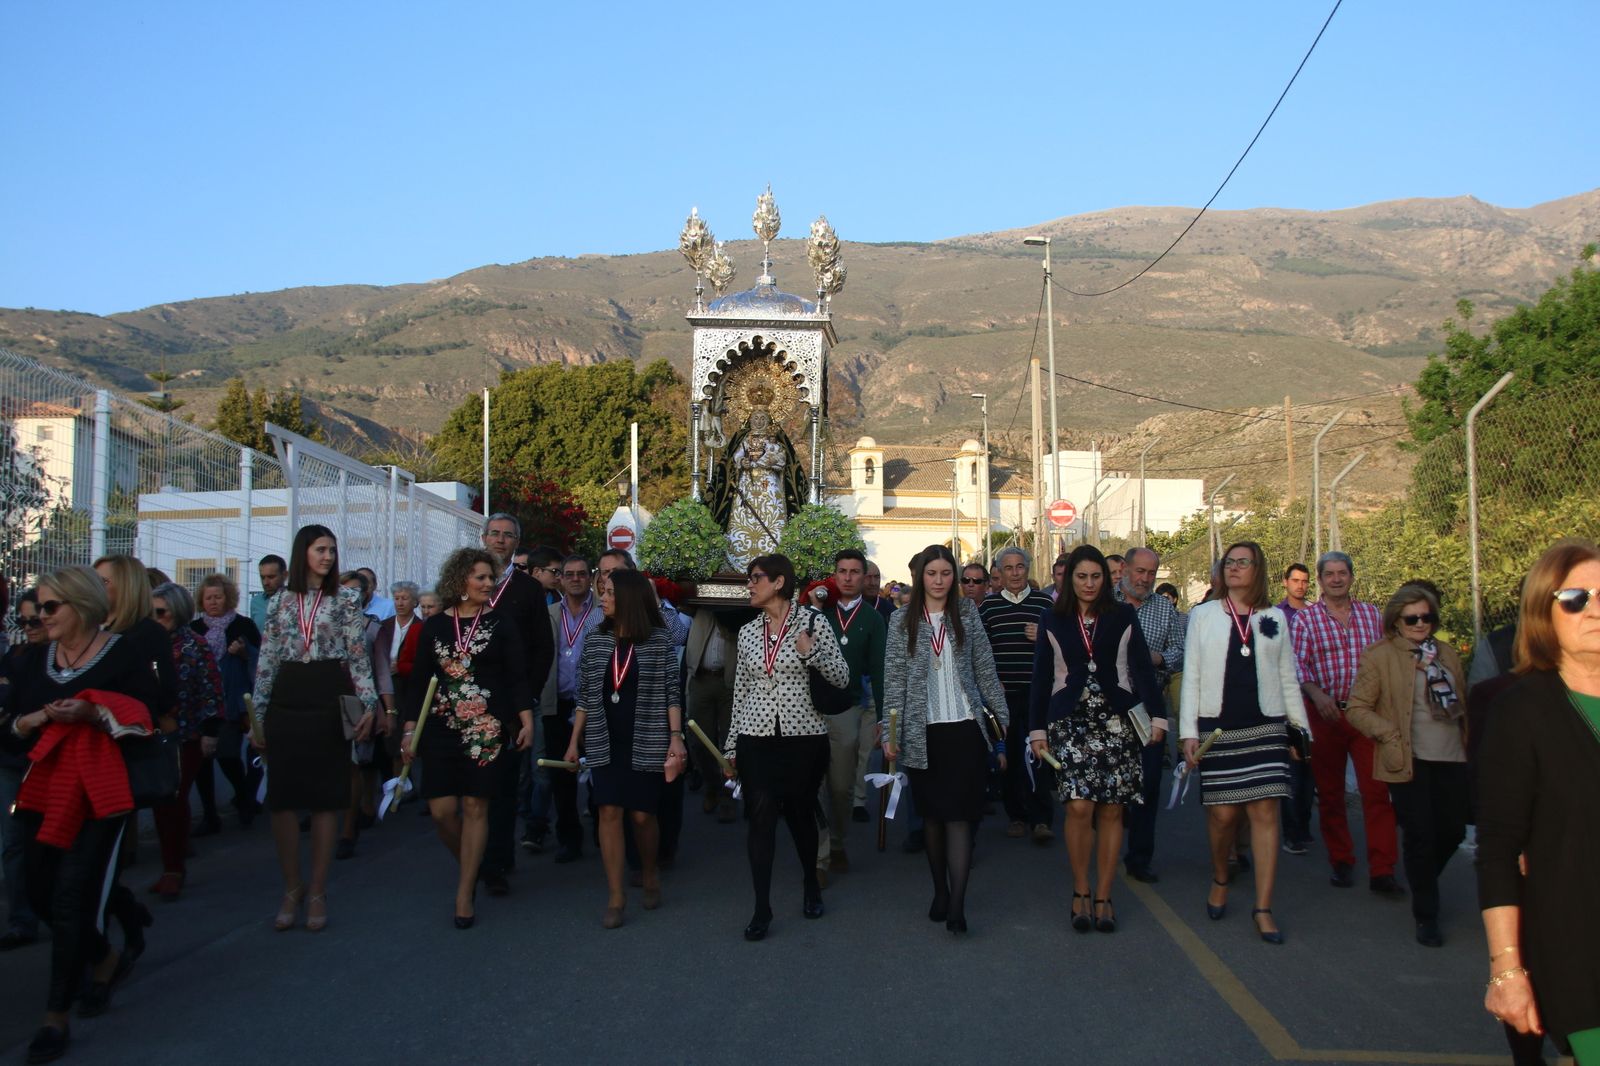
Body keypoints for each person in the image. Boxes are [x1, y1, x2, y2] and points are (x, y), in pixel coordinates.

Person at [2, 565, 163, 1060]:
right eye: (38, 606)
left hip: (100, 792)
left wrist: (95, 714)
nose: (40, 615)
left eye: (52, 606)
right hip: (42, 789)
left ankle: (54, 1018)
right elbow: (8, 721)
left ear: (82, 605)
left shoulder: (127, 653)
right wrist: (24, 722)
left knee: (71, 897)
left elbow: (151, 715)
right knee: (39, 891)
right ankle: (109, 949)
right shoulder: (31, 660)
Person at [1477, 539, 1600, 1062]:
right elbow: (1499, 849)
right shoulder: (1522, 711)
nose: (1594, 608)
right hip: (1577, 950)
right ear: (1543, 610)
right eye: (1576, 597)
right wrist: (1507, 970)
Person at [1030, 545, 1166, 935]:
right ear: (1070, 580)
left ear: (1107, 580)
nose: (1089, 584)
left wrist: (1158, 718)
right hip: (1069, 723)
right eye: (1081, 577)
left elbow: (1140, 668)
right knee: (1078, 808)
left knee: (1110, 810)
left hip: (1117, 722)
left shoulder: (1122, 615)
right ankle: (1080, 889)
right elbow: (1041, 678)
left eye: (1096, 577)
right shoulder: (1052, 618)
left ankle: (1104, 895)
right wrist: (1037, 730)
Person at [252, 524, 378, 933]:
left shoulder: (346, 598)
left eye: (331, 550)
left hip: (327, 693)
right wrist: (257, 715)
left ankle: (319, 889)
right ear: (302, 551)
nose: (327, 556)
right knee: (284, 799)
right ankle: (292, 887)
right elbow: (267, 659)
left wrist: (369, 706)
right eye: (320, 549)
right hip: (287, 696)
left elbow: (359, 657)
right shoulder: (279, 601)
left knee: (327, 796)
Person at [1180, 541, 1307, 946]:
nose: (1234, 569)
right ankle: (1221, 875)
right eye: (1229, 563)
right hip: (1218, 727)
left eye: (1243, 563)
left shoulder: (1274, 618)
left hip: (1266, 725)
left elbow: (1287, 675)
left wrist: (1298, 729)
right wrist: (1189, 732)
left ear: (1258, 569)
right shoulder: (1202, 615)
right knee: (1222, 817)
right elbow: (1192, 674)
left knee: (1266, 811)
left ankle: (1263, 906)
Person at [402, 548, 534, 929]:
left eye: (491, 578)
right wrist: (409, 729)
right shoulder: (434, 626)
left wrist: (525, 720)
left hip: (486, 728)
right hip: (442, 726)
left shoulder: (502, 622)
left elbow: (516, 676)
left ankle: (464, 892)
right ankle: (473, 864)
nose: (488, 584)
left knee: (477, 806)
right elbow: (417, 684)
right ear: (461, 580)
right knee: (442, 811)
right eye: (480, 578)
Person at [883, 545, 1009, 934]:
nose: (939, 581)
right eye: (932, 573)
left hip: (965, 728)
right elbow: (894, 681)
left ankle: (957, 905)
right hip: (923, 731)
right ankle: (940, 890)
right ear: (921, 577)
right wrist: (891, 733)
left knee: (960, 817)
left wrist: (1001, 719)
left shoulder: (967, 614)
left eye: (946, 573)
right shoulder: (902, 619)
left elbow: (985, 668)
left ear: (954, 578)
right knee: (933, 818)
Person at [725, 553, 848, 941]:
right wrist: (731, 745)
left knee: (799, 814)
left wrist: (810, 652)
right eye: (750, 578)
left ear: (779, 582)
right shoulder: (747, 632)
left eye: (756, 578)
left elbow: (843, 677)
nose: (750, 584)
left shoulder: (814, 621)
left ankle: (811, 885)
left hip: (803, 736)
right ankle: (762, 907)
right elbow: (740, 691)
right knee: (760, 816)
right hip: (755, 736)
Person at [1342, 583, 1468, 948]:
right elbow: (1358, 708)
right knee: (1420, 834)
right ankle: (1427, 914)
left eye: (1426, 617)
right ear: (1396, 620)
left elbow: (1464, 702)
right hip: (1406, 758)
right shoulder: (1379, 656)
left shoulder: (1446, 653)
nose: (1420, 624)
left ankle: (1422, 878)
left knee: (1453, 831)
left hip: (1451, 754)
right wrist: (1389, 734)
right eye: (1411, 617)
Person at [563, 570, 684, 928]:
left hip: (647, 736)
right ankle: (616, 895)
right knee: (609, 813)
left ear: (629, 597)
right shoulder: (596, 639)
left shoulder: (658, 639)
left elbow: (671, 693)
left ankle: (649, 872)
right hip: (604, 737)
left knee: (643, 816)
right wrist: (574, 742)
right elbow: (585, 695)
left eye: (610, 593)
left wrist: (675, 737)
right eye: (603, 591)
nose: (603, 598)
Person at [1290, 551, 1400, 894]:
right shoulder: (1306, 620)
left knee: (1377, 792)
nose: (1336, 579)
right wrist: (1316, 695)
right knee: (1332, 793)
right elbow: (1298, 665)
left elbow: (1388, 658)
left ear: (1352, 577)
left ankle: (1383, 868)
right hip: (1326, 714)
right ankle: (1341, 858)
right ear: (1320, 581)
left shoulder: (1372, 615)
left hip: (1366, 717)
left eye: (1342, 573)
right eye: (1330, 574)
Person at [476, 513, 556, 896]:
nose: (500, 540)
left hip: (510, 700)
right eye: (494, 533)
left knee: (504, 785)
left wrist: (529, 692)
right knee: (469, 787)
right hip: (466, 699)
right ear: (483, 536)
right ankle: (473, 853)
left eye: (509, 536)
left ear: (516, 543)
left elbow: (543, 646)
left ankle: (495, 860)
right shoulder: (464, 579)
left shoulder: (527, 589)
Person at [146, 581, 224, 902]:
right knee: (160, 801)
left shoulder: (195, 645)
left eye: (161, 612)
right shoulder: (144, 645)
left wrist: (210, 732)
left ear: (177, 612)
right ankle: (171, 861)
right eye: (150, 613)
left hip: (186, 734)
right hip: (150, 735)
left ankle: (173, 869)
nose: (155, 618)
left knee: (175, 799)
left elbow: (211, 690)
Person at [815, 549, 887, 876]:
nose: (847, 578)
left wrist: (885, 719)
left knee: (841, 787)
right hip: (809, 708)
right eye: (841, 571)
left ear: (864, 576)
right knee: (813, 786)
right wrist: (812, 606)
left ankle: (839, 840)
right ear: (834, 574)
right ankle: (820, 856)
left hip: (848, 706)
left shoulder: (873, 619)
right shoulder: (818, 611)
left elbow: (880, 670)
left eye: (854, 572)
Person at [979, 546, 1056, 844]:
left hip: (1038, 694)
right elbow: (982, 652)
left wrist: (1044, 636)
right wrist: (990, 682)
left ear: (1028, 569)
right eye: (1008, 568)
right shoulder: (989, 607)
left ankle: (1041, 818)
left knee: (1039, 753)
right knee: (1009, 755)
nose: (1014, 573)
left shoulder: (1044, 604)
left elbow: (1061, 647)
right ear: (999, 572)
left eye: (1020, 567)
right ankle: (1016, 816)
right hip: (1002, 695)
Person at [1118, 546, 1185, 883]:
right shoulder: (1105, 603)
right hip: (1110, 710)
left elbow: (1179, 652)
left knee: (1148, 784)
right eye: (1139, 571)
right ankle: (1103, 851)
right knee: (1112, 785)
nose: (1144, 579)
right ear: (1125, 570)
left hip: (1149, 709)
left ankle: (1140, 857)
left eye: (1151, 573)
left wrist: (1157, 659)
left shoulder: (1165, 609)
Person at [191, 572, 262, 835]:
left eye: (218, 597)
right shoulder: (196, 629)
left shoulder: (243, 625)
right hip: (201, 702)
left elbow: (260, 662)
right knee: (201, 762)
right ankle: (211, 814)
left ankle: (244, 796)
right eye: (208, 597)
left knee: (227, 754)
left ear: (228, 598)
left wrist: (244, 654)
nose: (212, 602)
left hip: (233, 700)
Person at [0, 588, 46, 950]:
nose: (29, 628)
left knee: (49, 843)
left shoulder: (62, 660)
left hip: (48, 762)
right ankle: (21, 919)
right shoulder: (14, 657)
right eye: (23, 621)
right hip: (12, 760)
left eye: (36, 620)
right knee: (13, 843)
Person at [336, 570, 393, 860]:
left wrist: (387, 709)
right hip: (326, 699)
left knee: (355, 763)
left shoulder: (372, 627)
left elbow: (382, 671)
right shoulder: (327, 624)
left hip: (359, 701)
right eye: (344, 591)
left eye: (356, 592)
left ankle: (349, 827)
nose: (350, 597)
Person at [548, 554, 601, 863]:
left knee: (597, 770)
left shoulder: (603, 610)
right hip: (557, 702)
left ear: (590, 577)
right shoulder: (550, 613)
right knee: (561, 776)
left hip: (594, 705)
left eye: (582, 573)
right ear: (561, 579)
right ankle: (569, 837)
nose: (576, 579)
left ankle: (601, 829)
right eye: (569, 574)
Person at [685, 605, 738, 823]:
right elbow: (682, 600)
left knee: (730, 743)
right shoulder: (700, 605)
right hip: (701, 677)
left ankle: (727, 795)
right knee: (698, 741)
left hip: (730, 680)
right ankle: (712, 784)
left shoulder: (741, 609)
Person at [1275, 562, 1314, 855]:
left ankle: (1305, 824)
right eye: (1295, 580)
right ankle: (1292, 831)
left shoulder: (1315, 614)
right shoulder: (1276, 617)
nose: (1300, 585)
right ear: (1285, 582)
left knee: (1310, 770)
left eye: (1305, 581)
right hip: (1288, 700)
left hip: (1314, 700)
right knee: (1292, 768)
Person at [375, 582, 422, 768]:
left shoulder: (421, 627)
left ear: (415, 602)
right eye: (396, 598)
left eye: (405, 598)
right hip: (385, 684)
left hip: (407, 686)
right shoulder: (384, 626)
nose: (400, 603)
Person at [249, 554, 287, 633]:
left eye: (271, 577)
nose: (265, 582)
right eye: (262, 577)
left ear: (284, 575)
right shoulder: (256, 602)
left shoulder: (295, 601)